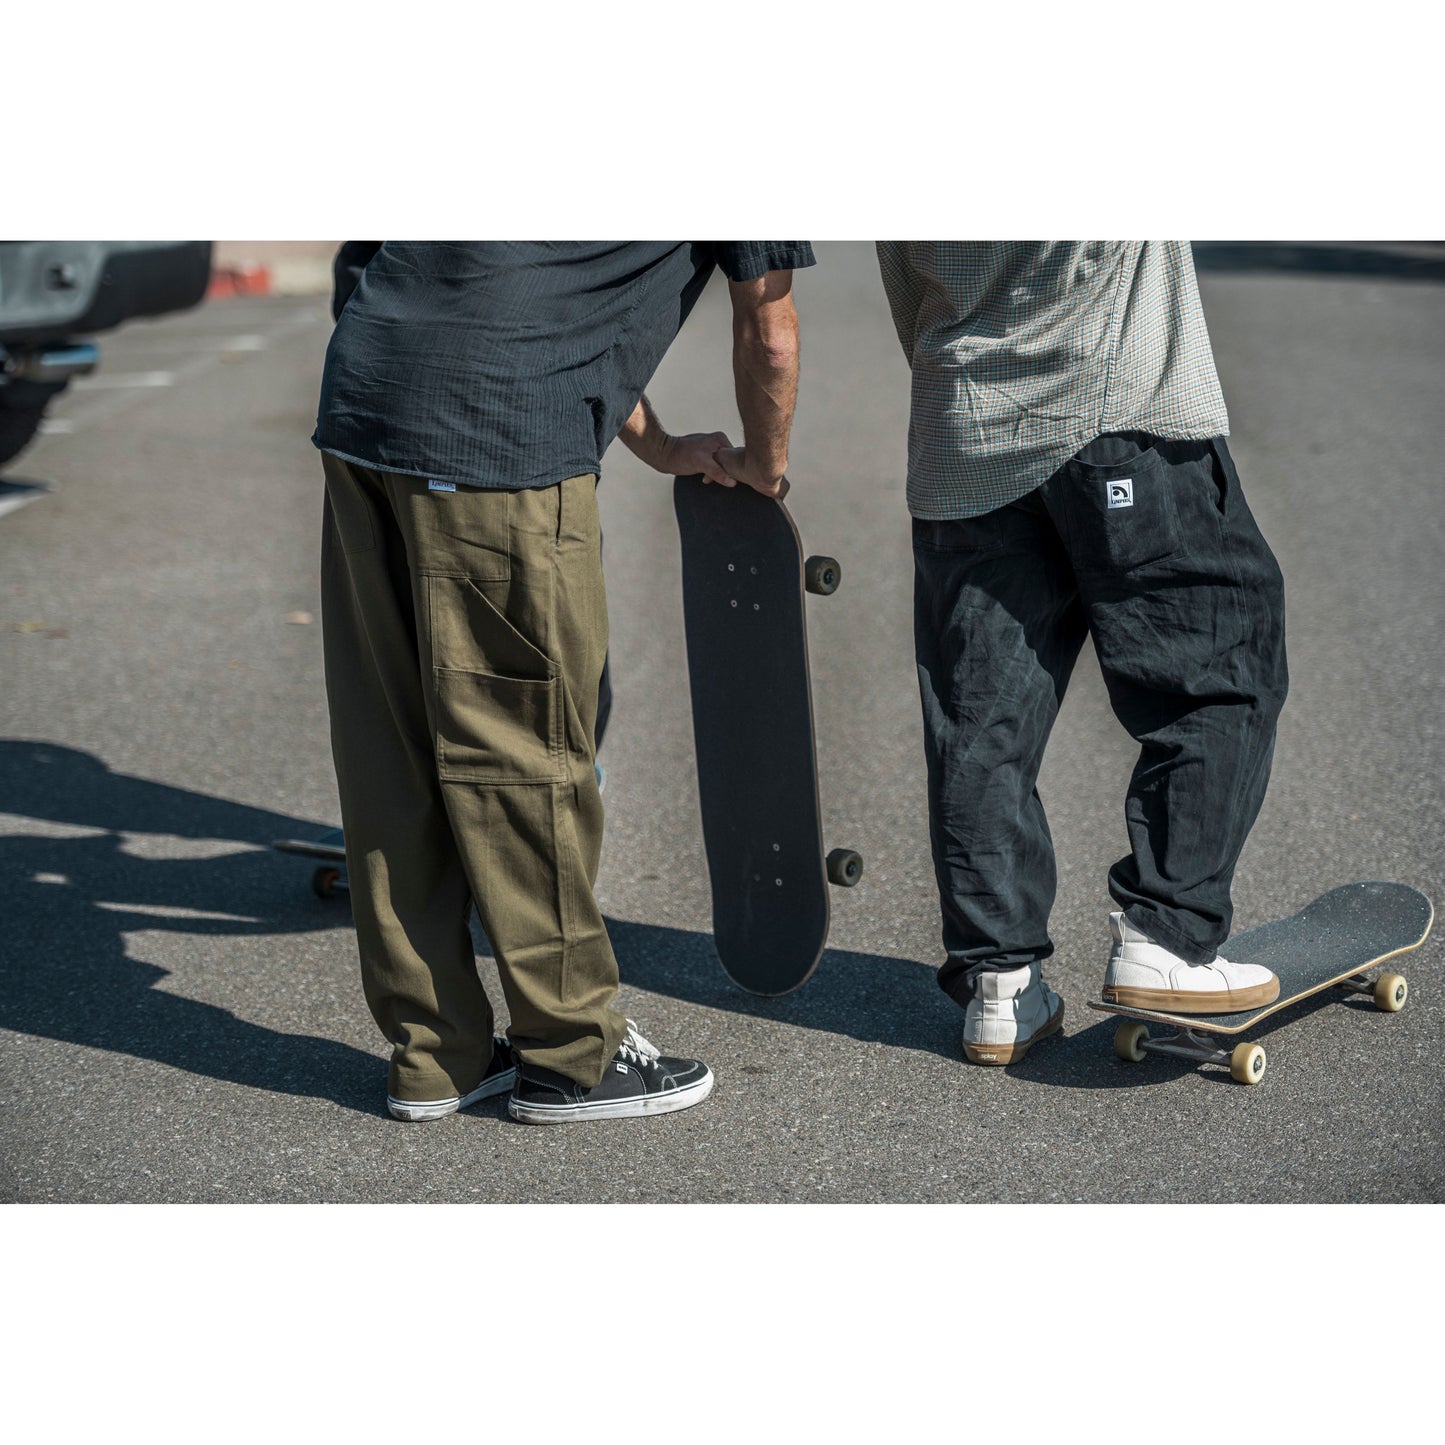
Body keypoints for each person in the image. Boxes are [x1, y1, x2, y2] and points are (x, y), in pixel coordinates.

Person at [313, 241, 813, 1121]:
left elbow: (527, 291)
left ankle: (436, 1053)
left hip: (365, 400)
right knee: (520, 748)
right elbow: (767, 329)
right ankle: (573, 1053)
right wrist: (764, 468)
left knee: (388, 744)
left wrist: (659, 443)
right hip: (495, 432)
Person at [875, 242, 1288, 1065]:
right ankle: (1166, 936)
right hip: (1112, 413)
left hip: (963, 435)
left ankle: (999, 984)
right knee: (1217, 671)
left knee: (979, 724)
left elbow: (905, 289)